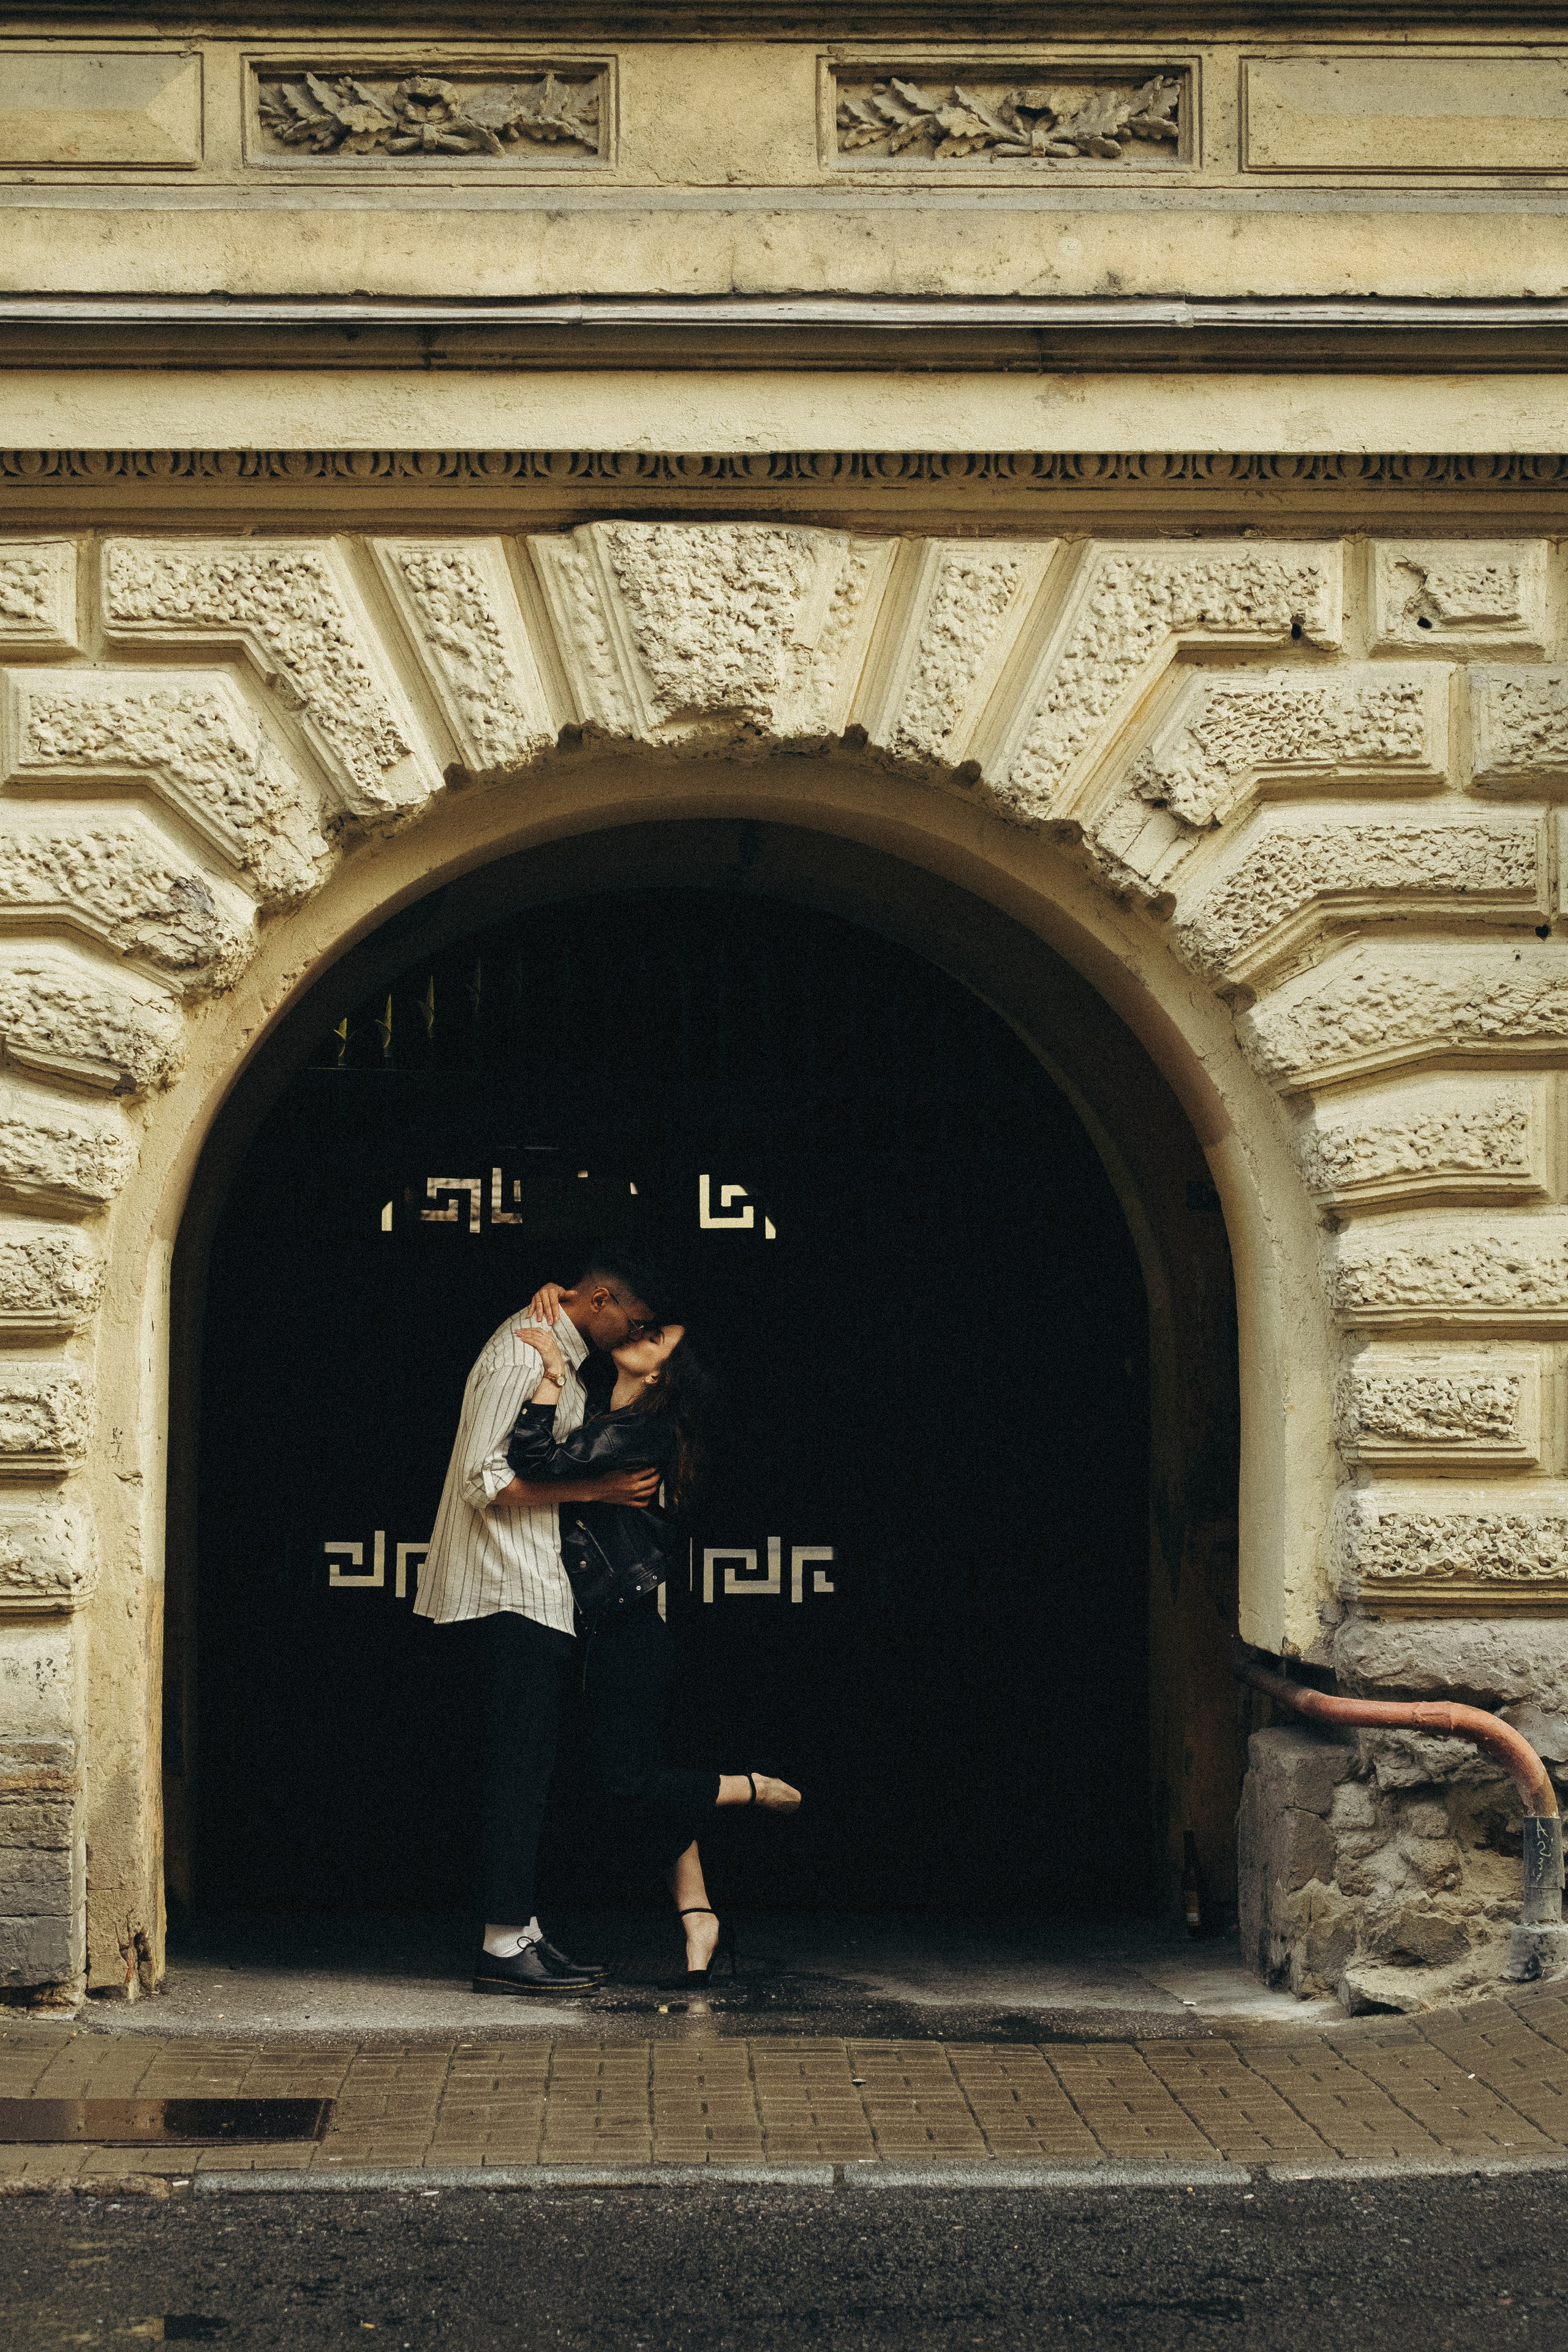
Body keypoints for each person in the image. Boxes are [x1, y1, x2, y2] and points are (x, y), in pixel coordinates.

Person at [506, 1289, 801, 1986]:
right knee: (636, 1774)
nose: (642, 1332)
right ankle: (698, 1915)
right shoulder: (612, 1415)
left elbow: (536, 1462)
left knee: (624, 1783)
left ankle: (752, 1788)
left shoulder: (638, 1430)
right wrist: (562, 1302)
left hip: (625, 1626)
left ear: (663, 1371)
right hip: (611, 1624)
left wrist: (548, 1371)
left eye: (657, 1335)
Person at [414, 1248, 671, 1996]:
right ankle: (501, 1947)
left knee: (529, 1771)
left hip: (534, 1589)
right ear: (598, 1300)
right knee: (515, 1772)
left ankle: (520, 1928)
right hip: (506, 1586)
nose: (637, 1332)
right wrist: (602, 1491)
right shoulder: (524, 1351)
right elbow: (483, 1479)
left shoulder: (555, 1345)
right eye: (635, 1317)